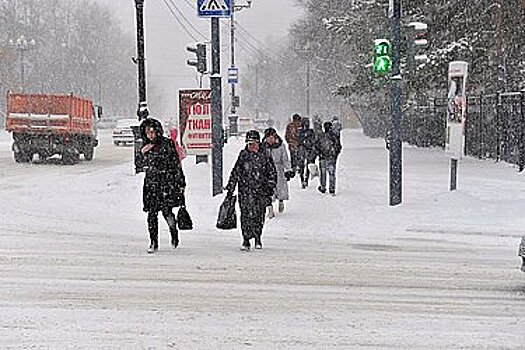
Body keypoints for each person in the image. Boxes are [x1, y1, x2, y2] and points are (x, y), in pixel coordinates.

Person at [139, 118, 186, 253]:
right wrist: (142, 153)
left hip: (166, 183)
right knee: (151, 214)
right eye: (148, 132)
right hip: (151, 184)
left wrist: (181, 182)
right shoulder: (145, 146)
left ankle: (173, 232)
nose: (151, 135)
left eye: (153, 132)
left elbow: (176, 164)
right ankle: (153, 242)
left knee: (167, 212)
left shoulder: (167, 144)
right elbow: (140, 164)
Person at [226, 130, 277, 251]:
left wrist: (270, 186)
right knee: (245, 215)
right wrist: (231, 186)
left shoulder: (265, 156)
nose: (250, 146)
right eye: (248, 143)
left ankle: (258, 237)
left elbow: (272, 173)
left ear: (258, 143)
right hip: (245, 191)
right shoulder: (243, 155)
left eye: (252, 143)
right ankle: (246, 238)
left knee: (259, 215)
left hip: (261, 191)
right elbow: (236, 172)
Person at [261, 127, 294, 218]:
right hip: (267, 170)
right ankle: (270, 208)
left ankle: (281, 201)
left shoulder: (280, 146)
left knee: (280, 188)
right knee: (268, 189)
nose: (270, 140)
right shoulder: (263, 147)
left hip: (278, 169)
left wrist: (288, 170)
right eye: (268, 138)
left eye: (272, 137)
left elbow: (285, 159)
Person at [315, 121, 342, 196]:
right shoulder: (334, 136)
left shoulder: (321, 136)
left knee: (323, 174)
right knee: (331, 174)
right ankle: (332, 189)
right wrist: (335, 155)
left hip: (322, 157)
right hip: (331, 158)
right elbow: (338, 147)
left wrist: (319, 154)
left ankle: (323, 187)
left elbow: (316, 146)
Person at [297, 117, 317, 189]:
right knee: (304, 166)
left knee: (305, 166)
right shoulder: (307, 131)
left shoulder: (305, 131)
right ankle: (304, 180)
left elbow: (313, 140)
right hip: (305, 150)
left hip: (306, 150)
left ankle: (304, 180)